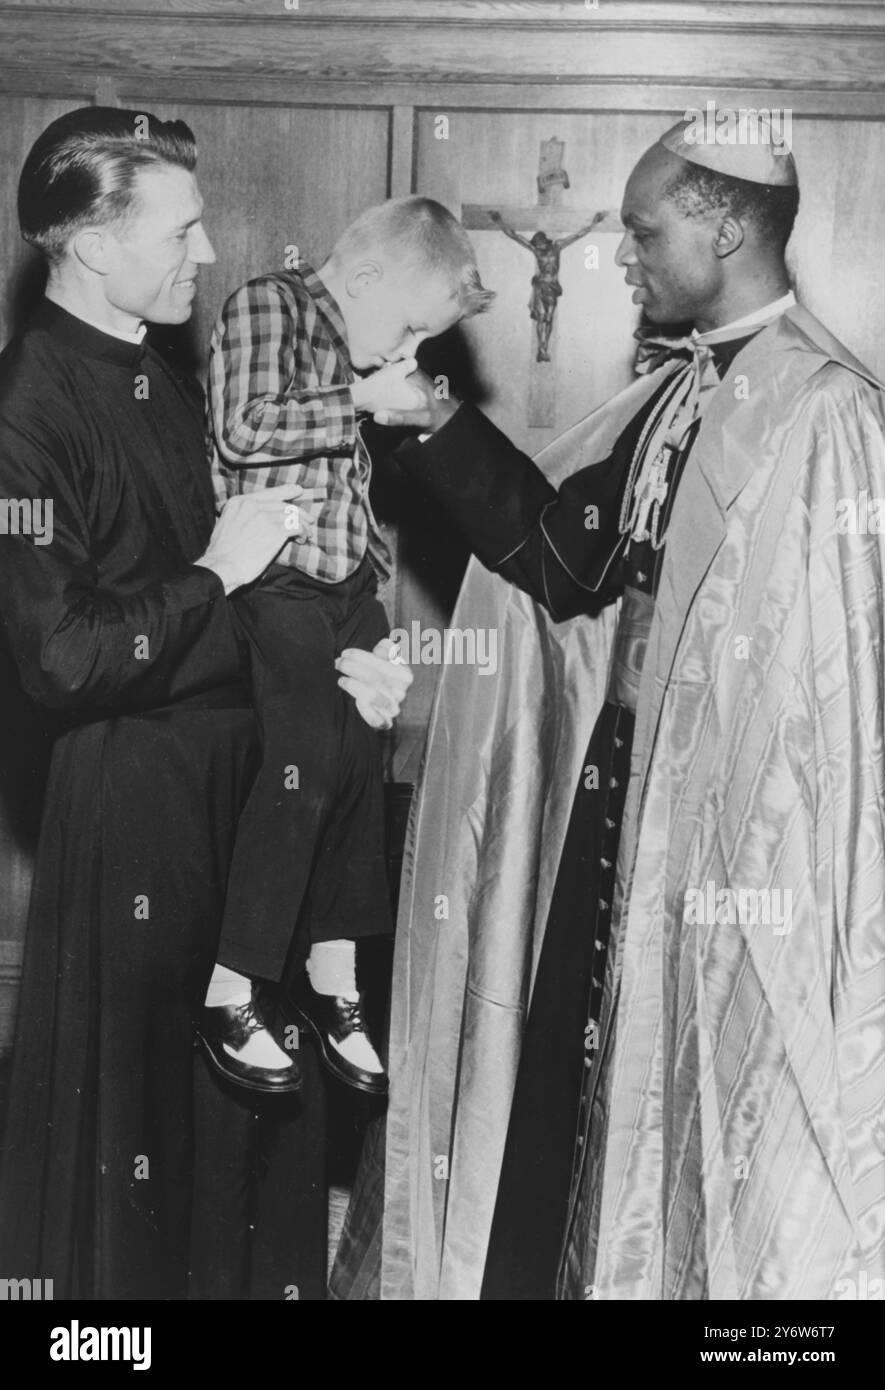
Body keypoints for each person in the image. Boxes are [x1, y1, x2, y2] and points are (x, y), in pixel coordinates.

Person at [339, 113, 885, 1299]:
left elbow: (831, 699)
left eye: (643, 230)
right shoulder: (679, 392)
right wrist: (428, 417)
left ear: (726, 222)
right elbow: (558, 556)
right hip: (629, 810)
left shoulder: (823, 408)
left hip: (739, 845)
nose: (623, 256)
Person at [0, 105, 411, 1298]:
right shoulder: (23, 412)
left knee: (237, 1142)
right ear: (88, 242)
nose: (212, 251)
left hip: (242, 797)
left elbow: (262, 585)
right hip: (133, 804)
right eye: (181, 229)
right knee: (139, 1157)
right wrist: (214, 572)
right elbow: (61, 656)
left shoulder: (169, 373)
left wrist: (344, 666)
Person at [199, 198, 492, 1098]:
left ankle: (334, 980)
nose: (407, 354)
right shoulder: (269, 305)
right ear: (362, 280)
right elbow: (243, 426)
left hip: (339, 589)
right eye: (406, 328)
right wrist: (363, 397)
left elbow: (345, 492)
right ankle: (233, 983)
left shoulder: (353, 354)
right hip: (271, 582)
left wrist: (372, 586)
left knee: (365, 764)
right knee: (304, 759)